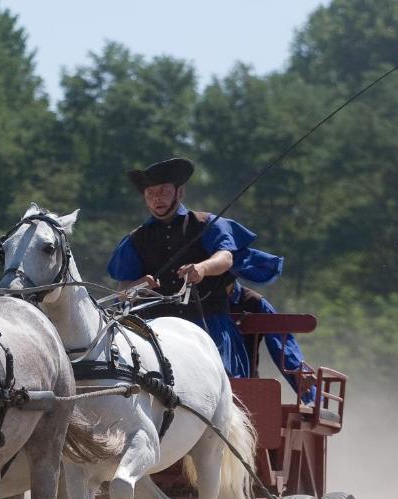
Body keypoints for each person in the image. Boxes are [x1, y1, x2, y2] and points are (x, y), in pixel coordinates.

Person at [106, 157, 283, 378]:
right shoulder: (135, 239)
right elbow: (122, 291)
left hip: (210, 327)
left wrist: (203, 269)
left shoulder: (207, 224)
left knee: (226, 380)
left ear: (180, 193)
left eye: (163, 191)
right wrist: (137, 286)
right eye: (150, 194)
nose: (156, 198)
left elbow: (225, 257)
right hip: (157, 331)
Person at [229, 281, 316, 403]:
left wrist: (299, 372)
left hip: (244, 384)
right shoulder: (196, 300)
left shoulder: (254, 302)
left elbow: (281, 343)